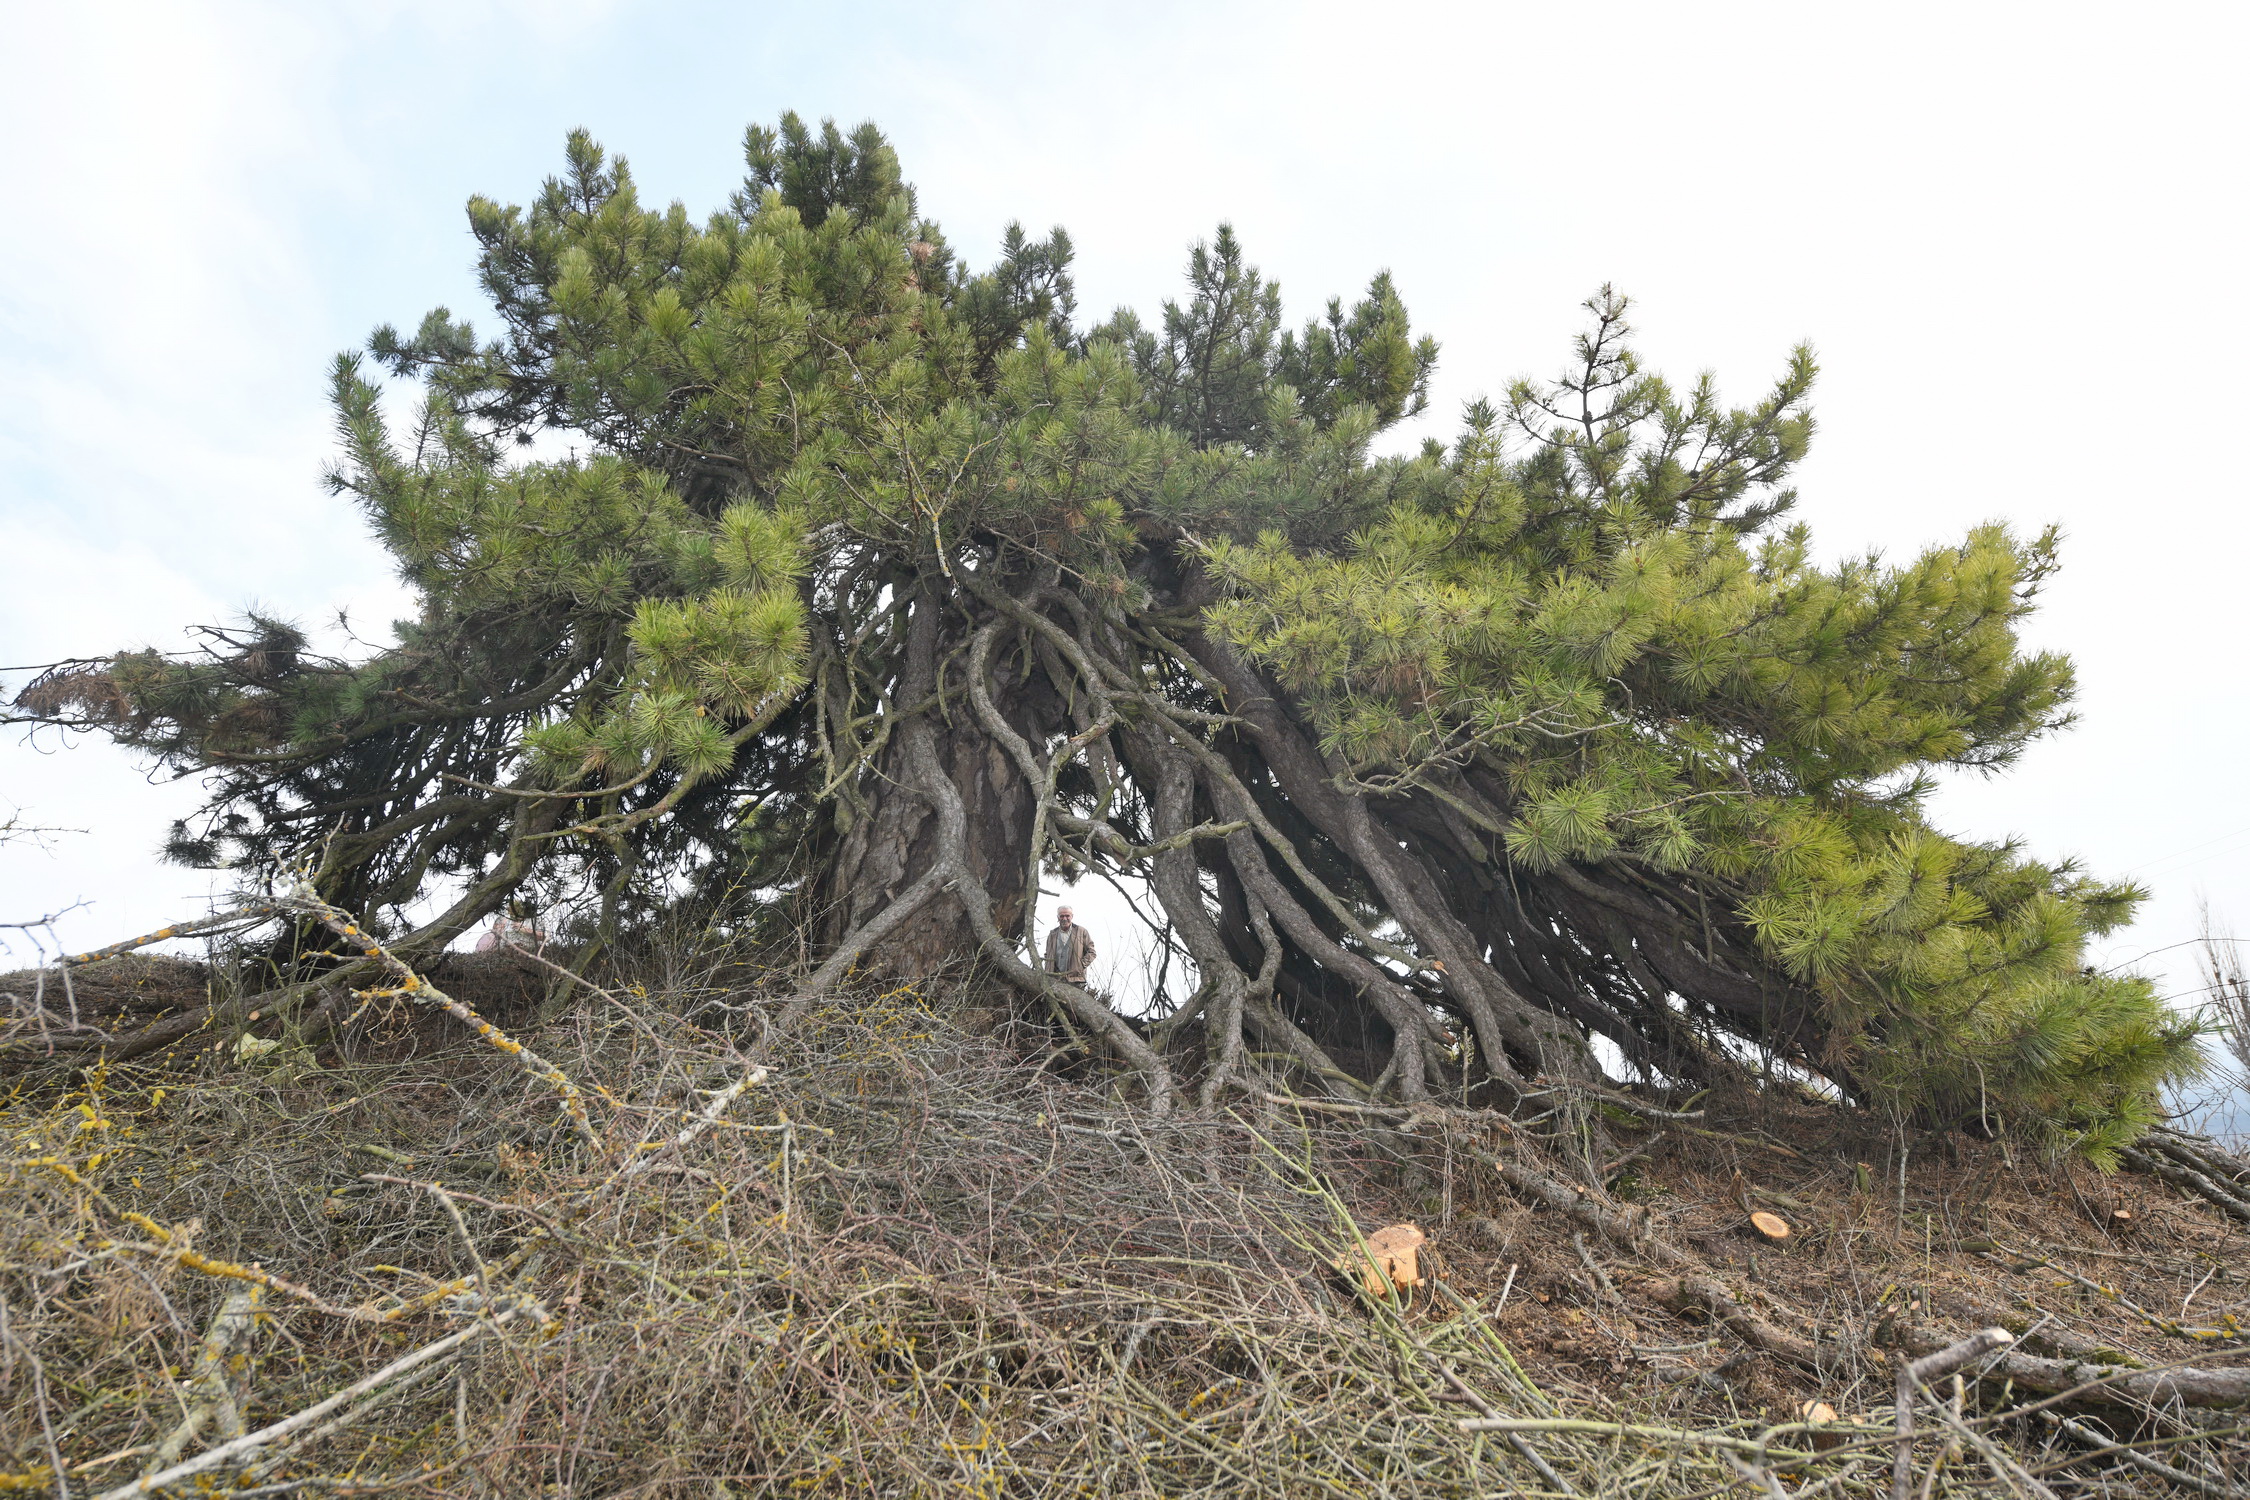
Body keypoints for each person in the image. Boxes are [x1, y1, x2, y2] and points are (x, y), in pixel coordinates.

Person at [1042, 905, 1096, 984]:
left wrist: (1080, 966)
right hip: (1054, 979)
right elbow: (1047, 954)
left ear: (1072, 916)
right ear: (1058, 917)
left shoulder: (1081, 931)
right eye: (1062, 916)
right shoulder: (1052, 934)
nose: (1064, 918)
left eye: (1067, 916)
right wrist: (1048, 970)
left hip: (1076, 979)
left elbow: (1092, 952)